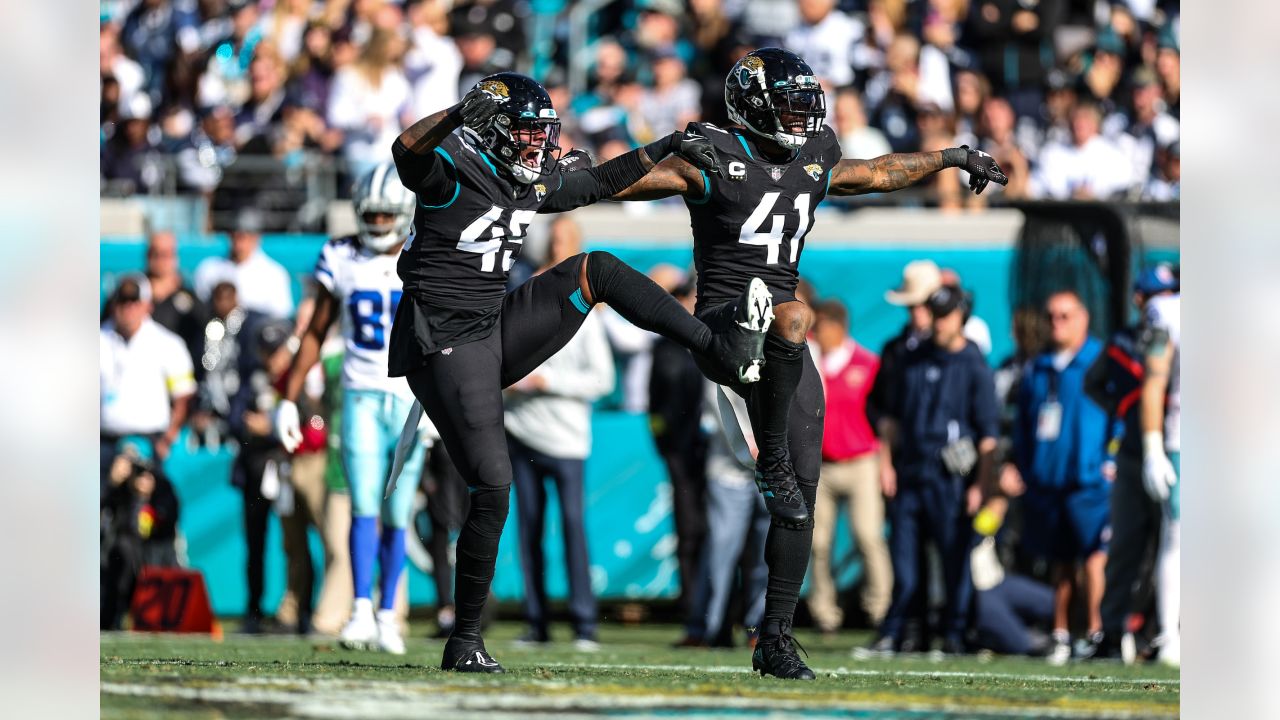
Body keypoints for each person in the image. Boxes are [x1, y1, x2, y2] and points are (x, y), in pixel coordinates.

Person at [605, 48, 1006, 678]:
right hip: (724, 323)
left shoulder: (812, 156)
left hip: (784, 349)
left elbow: (877, 172)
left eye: (804, 108)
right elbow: (624, 183)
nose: (799, 122)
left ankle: (777, 637)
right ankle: (769, 455)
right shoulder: (714, 153)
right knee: (792, 316)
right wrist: (637, 156)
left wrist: (952, 156)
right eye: (787, 108)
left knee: (800, 499)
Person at [386, 72, 771, 673]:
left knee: (595, 268)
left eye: (543, 133)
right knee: (493, 485)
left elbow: (596, 183)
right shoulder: (451, 167)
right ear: (488, 127)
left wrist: (666, 144)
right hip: (439, 340)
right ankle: (464, 638)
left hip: (491, 327)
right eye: (525, 131)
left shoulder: (527, 175)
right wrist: (458, 111)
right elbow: (406, 151)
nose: (537, 144)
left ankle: (715, 347)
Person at [275, 163, 429, 654]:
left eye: (388, 214)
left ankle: (388, 614)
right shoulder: (340, 254)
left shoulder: (423, 252)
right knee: (365, 504)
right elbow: (316, 330)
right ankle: (361, 608)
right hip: (361, 393)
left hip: (409, 398)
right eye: (373, 214)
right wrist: (288, 396)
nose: (380, 222)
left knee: (399, 511)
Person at [869, 286, 999, 656]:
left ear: (961, 317)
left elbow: (988, 435)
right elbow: (891, 418)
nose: (938, 323)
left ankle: (956, 634)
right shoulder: (913, 359)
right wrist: (886, 464)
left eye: (945, 315)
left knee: (954, 559)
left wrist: (980, 485)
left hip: (951, 479)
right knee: (906, 561)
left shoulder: (974, 364)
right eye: (935, 314)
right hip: (911, 471)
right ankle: (907, 631)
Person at [506, 218, 616, 650]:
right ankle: (537, 621)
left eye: (566, 242)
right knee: (527, 529)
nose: (558, 250)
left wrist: (548, 384)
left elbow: (602, 380)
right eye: (554, 242)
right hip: (520, 429)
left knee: (572, 528)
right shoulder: (522, 296)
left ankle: (584, 623)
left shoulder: (588, 314)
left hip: (567, 438)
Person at [1006, 290, 1111, 664]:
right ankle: (1062, 633)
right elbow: (1024, 424)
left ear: (1083, 318)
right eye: (1051, 316)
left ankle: (1099, 633)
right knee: (1060, 562)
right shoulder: (1039, 367)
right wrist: (1022, 464)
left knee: (1095, 558)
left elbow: (1122, 412)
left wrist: (1112, 456)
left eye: (1065, 316)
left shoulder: (1100, 361)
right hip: (1049, 480)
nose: (1057, 323)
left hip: (1089, 481)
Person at [807, 299, 892, 633]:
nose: (816, 333)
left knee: (868, 536)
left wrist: (885, 462)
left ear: (838, 326)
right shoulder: (811, 362)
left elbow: (883, 420)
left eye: (821, 326)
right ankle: (824, 611)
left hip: (861, 462)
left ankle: (880, 607)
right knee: (817, 542)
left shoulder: (867, 364)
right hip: (822, 465)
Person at [648, 276, 711, 617]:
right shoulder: (665, 347)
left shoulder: (720, 340)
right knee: (689, 530)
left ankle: (728, 610)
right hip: (682, 452)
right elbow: (655, 406)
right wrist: (667, 447)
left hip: (721, 451)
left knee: (728, 532)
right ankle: (692, 609)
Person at [100, 275, 196, 472]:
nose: (128, 308)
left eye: (134, 302)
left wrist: (167, 439)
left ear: (147, 305)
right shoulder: (98, 340)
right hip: (104, 442)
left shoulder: (167, 343)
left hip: (149, 442)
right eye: (123, 301)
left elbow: (183, 396)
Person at [1138, 273, 1180, 667]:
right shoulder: (1169, 313)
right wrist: (1153, 446)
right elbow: (1154, 381)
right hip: (1185, 439)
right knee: (1179, 539)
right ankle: (1171, 635)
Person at [194, 210, 295, 319]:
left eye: (244, 236)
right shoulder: (208, 268)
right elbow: (200, 311)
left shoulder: (275, 274)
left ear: (256, 236)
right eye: (234, 235)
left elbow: (281, 316)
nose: (238, 241)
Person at [143, 230, 208, 374]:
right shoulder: (132, 298)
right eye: (156, 253)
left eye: (166, 254)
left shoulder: (189, 299)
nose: (161, 260)